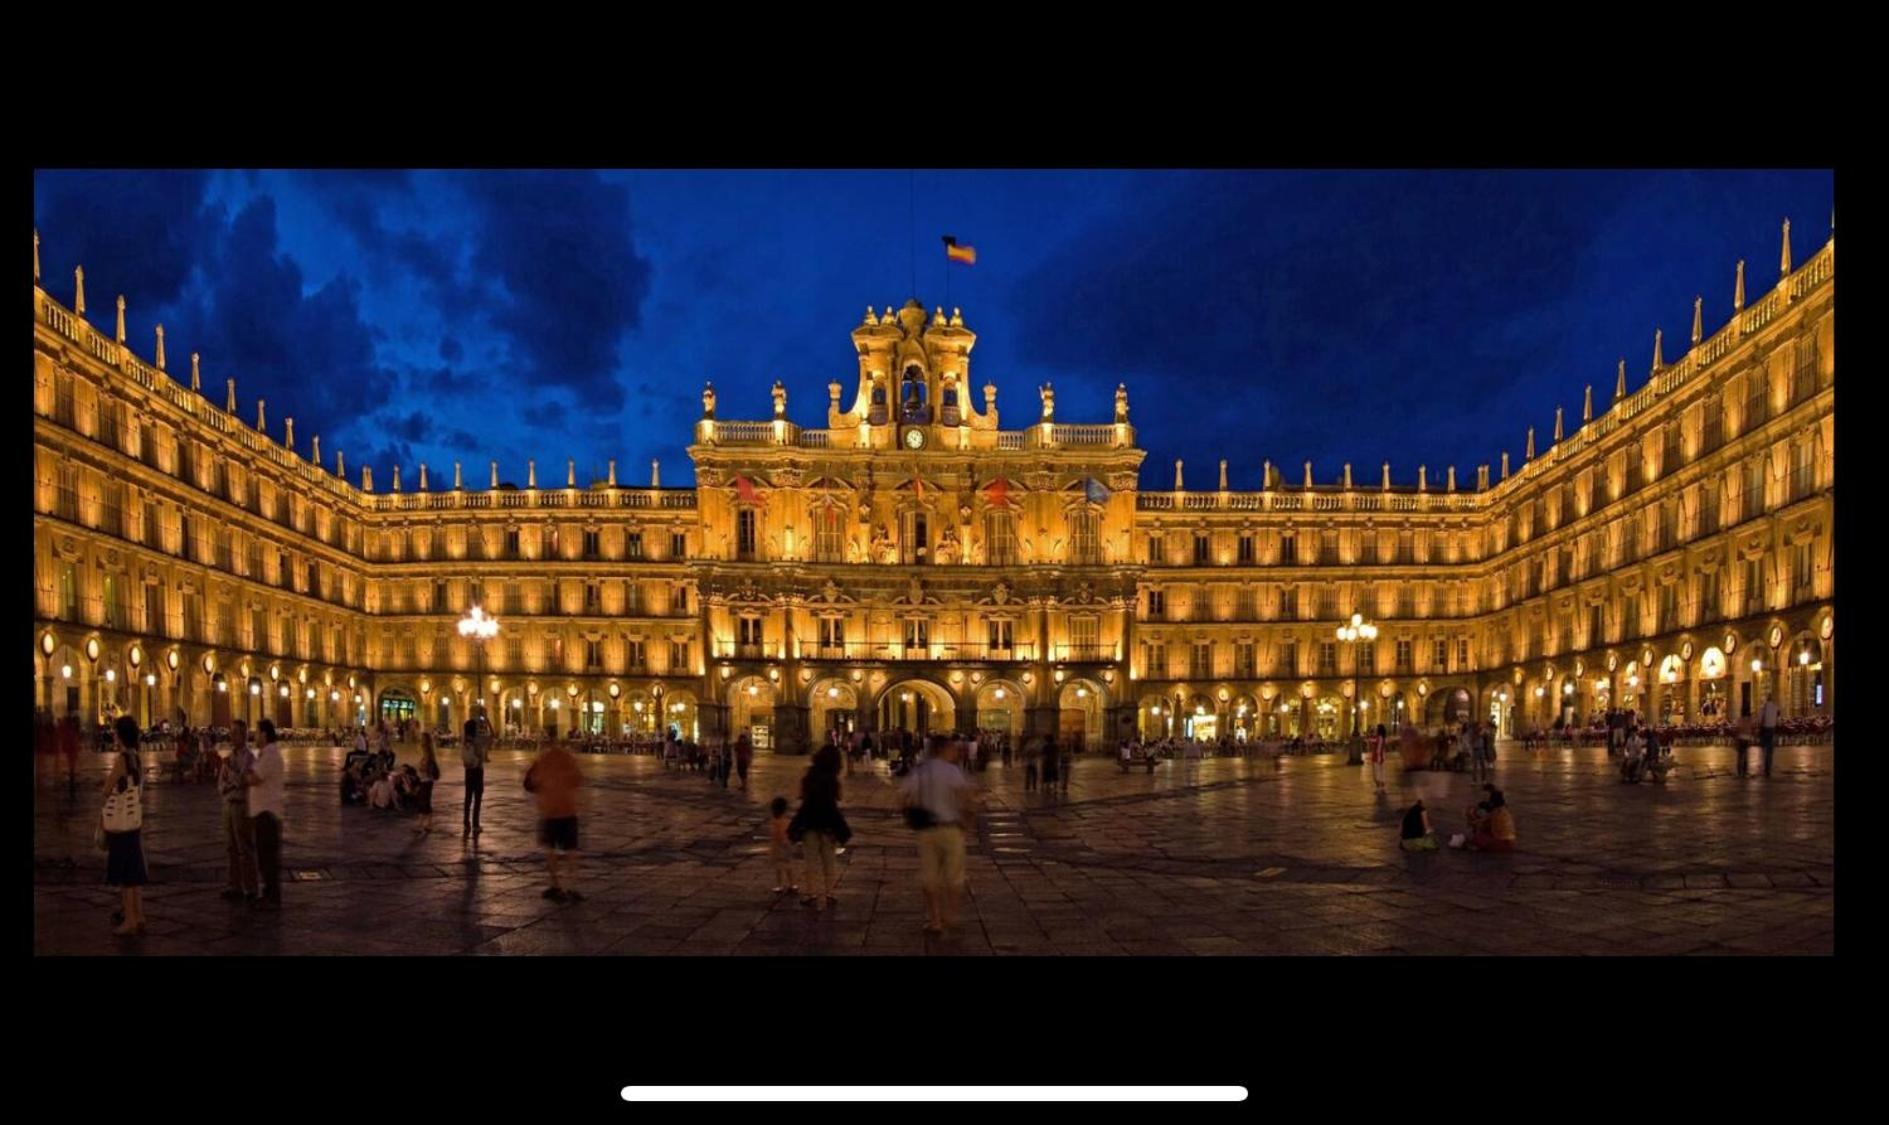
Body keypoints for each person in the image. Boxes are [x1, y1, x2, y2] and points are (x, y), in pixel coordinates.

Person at [901, 737, 978, 934]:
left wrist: (911, 817)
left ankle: (934, 919)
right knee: (954, 876)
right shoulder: (952, 771)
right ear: (943, 749)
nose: (955, 752)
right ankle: (950, 915)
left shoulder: (920, 771)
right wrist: (968, 821)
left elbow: (905, 797)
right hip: (951, 829)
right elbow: (966, 798)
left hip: (927, 830)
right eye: (952, 749)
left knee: (929, 877)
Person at [102, 716, 149, 935]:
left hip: (121, 822)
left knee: (126, 875)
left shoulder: (122, 759)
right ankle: (138, 916)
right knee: (135, 872)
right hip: (134, 820)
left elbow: (107, 788)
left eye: (115, 731)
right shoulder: (136, 757)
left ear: (120, 735)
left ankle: (129, 920)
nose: (113, 734)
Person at [788, 745, 849, 910]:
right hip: (828, 823)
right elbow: (839, 797)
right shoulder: (833, 778)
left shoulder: (809, 775)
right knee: (829, 861)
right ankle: (830, 892)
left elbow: (801, 795)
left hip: (810, 823)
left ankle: (811, 893)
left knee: (811, 861)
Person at [525, 738, 586, 902]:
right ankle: (572, 886)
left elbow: (529, 783)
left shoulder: (542, 759)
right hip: (568, 808)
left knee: (550, 848)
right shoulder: (568, 758)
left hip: (549, 810)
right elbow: (578, 779)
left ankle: (556, 885)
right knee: (571, 849)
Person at [243, 719, 285, 911]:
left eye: (257, 732)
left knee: (267, 858)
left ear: (265, 735)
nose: (254, 735)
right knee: (265, 857)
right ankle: (269, 894)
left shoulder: (269, 755)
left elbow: (254, 778)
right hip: (264, 812)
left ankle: (272, 896)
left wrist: (243, 772)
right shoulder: (266, 754)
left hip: (266, 813)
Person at [218, 721, 258, 902]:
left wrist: (231, 773)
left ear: (243, 735)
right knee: (230, 848)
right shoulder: (229, 757)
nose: (231, 737)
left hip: (242, 805)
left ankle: (250, 888)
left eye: (235, 733)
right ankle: (234, 885)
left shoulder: (249, 758)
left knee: (245, 848)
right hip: (228, 804)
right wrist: (228, 785)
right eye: (231, 733)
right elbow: (221, 783)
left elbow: (242, 781)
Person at [461, 712, 488, 838]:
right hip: (478, 771)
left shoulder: (465, 742)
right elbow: (491, 736)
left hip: (468, 772)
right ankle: (476, 824)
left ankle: (466, 823)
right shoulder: (478, 741)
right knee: (477, 799)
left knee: (467, 798)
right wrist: (487, 722)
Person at [1468, 785, 1518, 852]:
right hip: (1512, 842)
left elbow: (1479, 824)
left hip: (1502, 843)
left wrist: (1471, 815)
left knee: (1478, 836)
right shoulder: (1504, 810)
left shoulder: (1495, 813)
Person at [767, 796, 798, 895]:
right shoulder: (787, 820)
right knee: (789, 866)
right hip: (787, 845)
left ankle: (779, 885)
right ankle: (792, 884)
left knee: (778, 867)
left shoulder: (775, 822)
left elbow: (776, 833)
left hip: (778, 847)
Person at [414, 733, 441, 833]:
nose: (421, 741)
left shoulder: (428, 753)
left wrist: (421, 767)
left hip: (426, 780)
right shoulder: (427, 753)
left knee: (423, 802)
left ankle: (421, 824)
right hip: (425, 780)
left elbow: (427, 766)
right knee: (425, 801)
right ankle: (428, 824)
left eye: (422, 739)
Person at [1758, 695, 1779, 778]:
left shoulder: (1764, 708)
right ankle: (1768, 768)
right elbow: (1777, 718)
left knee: (1763, 749)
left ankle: (1764, 767)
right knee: (1770, 750)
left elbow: (1760, 720)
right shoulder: (1775, 707)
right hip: (1772, 730)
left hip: (1765, 729)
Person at [1733, 709, 1754, 779]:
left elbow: (1738, 730)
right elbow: (1751, 730)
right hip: (1747, 739)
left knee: (1740, 756)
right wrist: (1751, 739)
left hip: (1741, 738)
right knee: (1746, 756)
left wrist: (1736, 740)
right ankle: (1745, 772)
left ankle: (1739, 772)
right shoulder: (1750, 721)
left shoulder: (1740, 720)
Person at [1368, 723, 1388, 795]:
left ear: (1379, 730)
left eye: (1377, 728)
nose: (1376, 730)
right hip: (1382, 757)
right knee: (1382, 773)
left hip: (1377, 757)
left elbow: (1371, 740)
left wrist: (1370, 733)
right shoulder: (1384, 737)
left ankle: (1378, 789)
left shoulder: (1378, 738)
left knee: (1377, 774)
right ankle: (1383, 789)